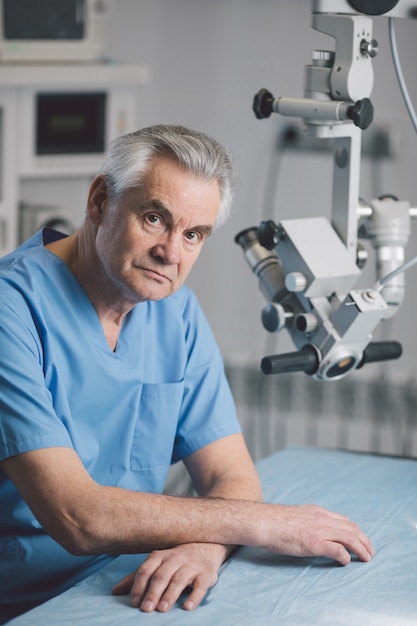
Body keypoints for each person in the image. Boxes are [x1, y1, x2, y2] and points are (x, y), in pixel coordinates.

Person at [0, 124, 373, 623]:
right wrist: (262, 525)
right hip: (26, 603)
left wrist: (205, 549)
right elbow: (78, 516)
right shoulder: (12, 309)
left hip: (136, 584)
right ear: (98, 202)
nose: (171, 253)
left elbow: (228, 473)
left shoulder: (175, 312)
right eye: (154, 218)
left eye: (193, 234)